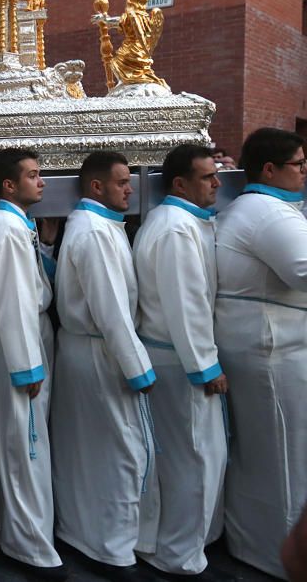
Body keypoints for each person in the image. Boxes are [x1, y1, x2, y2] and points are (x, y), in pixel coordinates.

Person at [51, 151, 157, 581]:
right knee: (122, 453)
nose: (130, 189)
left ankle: (86, 535)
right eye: (121, 182)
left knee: (89, 452)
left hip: (88, 349)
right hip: (101, 352)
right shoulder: (95, 233)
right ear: (96, 187)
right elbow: (111, 310)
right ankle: (113, 550)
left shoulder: (93, 226)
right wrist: (138, 370)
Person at [133, 145, 230, 581]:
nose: (217, 183)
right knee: (194, 459)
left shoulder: (182, 222)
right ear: (180, 183)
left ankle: (185, 548)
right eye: (208, 176)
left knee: (194, 458)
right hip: (179, 361)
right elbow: (185, 305)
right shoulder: (174, 229)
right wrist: (205, 367)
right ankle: (178, 556)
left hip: (178, 358)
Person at [215, 128, 307, 579]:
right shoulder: (269, 213)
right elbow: (303, 269)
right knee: (283, 454)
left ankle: (257, 543)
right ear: (269, 169)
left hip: (262, 342)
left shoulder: (260, 208)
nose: (306, 172)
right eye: (299, 164)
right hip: (272, 349)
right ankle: (279, 554)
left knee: (262, 451)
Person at [0, 149, 65, 580]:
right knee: (24, 444)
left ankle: (9, 527)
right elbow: (13, 304)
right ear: (9, 185)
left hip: (21, 335)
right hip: (15, 342)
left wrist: (44, 243)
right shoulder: (6, 231)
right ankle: (30, 546)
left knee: (22, 438)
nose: (42, 182)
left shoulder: (15, 227)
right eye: (33, 175)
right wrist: (27, 367)